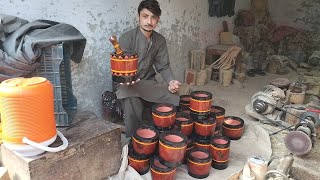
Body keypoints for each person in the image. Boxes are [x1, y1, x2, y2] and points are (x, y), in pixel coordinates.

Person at [115, 0, 181, 137]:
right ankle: (134, 138)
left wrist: (171, 81)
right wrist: (127, 79)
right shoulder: (126, 38)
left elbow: (163, 66)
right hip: (127, 83)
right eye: (145, 16)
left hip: (148, 82)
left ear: (158, 20)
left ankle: (162, 133)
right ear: (138, 17)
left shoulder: (160, 40)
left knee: (172, 95)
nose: (149, 21)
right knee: (130, 95)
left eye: (153, 17)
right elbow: (122, 69)